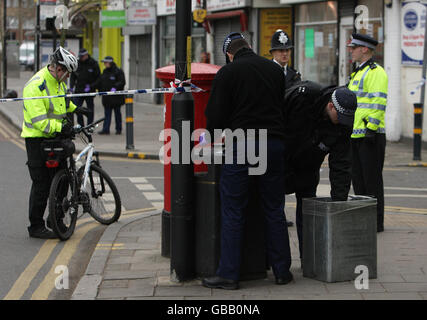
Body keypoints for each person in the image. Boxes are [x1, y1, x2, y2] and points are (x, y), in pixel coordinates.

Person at [202, 32, 293, 290]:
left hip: (242, 144)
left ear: (229, 54)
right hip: (273, 144)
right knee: (274, 209)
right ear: (249, 47)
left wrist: (214, 137)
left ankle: (229, 275)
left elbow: (216, 116)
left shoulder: (228, 73)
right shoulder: (274, 71)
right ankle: (282, 271)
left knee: (233, 210)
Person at [283, 81, 357, 264]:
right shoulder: (302, 96)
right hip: (280, 163)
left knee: (307, 216)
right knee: (275, 216)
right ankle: (279, 265)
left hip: (308, 168)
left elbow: (341, 164)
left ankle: (309, 260)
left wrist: (339, 203)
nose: (341, 122)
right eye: (338, 117)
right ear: (330, 105)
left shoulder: (343, 125)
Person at [21, 47, 90, 239]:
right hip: (37, 140)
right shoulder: (36, 85)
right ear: (59, 68)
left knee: (62, 180)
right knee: (42, 184)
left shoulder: (58, 83)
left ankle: (56, 219)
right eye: (67, 73)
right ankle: (35, 226)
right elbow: (39, 121)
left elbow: (62, 103)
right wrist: (61, 128)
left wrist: (77, 109)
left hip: (55, 137)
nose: (68, 77)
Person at [347, 33, 388, 233]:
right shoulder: (357, 72)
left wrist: (371, 128)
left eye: (353, 47)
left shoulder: (376, 72)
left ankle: (376, 222)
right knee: (359, 182)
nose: (350, 50)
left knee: (371, 181)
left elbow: (379, 102)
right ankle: (364, 218)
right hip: (356, 134)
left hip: (370, 135)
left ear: (364, 49)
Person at [94, 56, 126, 135]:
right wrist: (95, 87)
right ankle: (106, 129)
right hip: (107, 98)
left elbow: (122, 81)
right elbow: (101, 82)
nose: (104, 64)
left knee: (117, 114)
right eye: (104, 63)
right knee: (107, 114)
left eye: (106, 63)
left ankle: (118, 129)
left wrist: (115, 87)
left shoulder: (118, 71)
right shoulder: (105, 71)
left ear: (110, 62)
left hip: (116, 98)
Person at [69, 48, 100, 126]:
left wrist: (91, 86)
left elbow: (99, 78)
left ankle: (90, 125)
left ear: (86, 55)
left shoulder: (93, 63)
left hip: (89, 91)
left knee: (90, 109)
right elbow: (73, 76)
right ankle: (81, 125)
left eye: (82, 56)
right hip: (79, 90)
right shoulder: (78, 63)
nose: (81, 58)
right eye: (80, 56)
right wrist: (71, 87)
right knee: (77, 108)